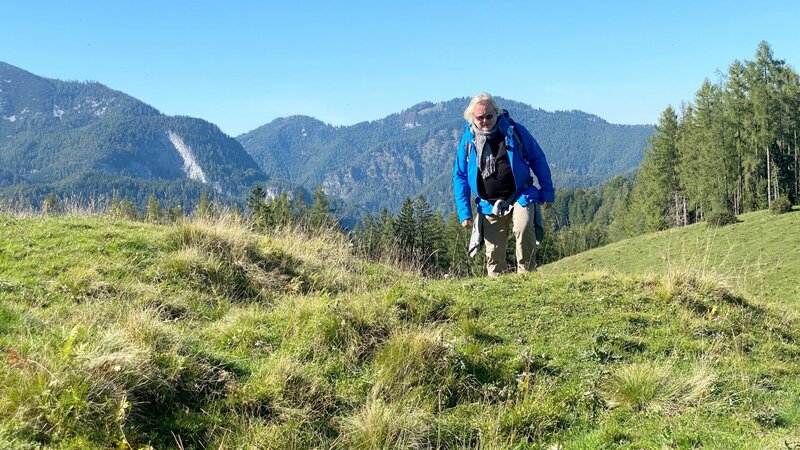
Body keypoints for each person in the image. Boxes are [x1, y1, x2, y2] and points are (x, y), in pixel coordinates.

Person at [453, 92, 554, 276]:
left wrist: (547, 192)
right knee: (494, 253)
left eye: (489, 115)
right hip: (488, 204)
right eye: (480, 117)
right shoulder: (468, 141)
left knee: (523, 230)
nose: (485, 120)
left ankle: (527, 279)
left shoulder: (514, 131)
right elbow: (460, 176)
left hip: (520, 195)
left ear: (496, 113)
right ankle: (497, 290)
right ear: (472, 118)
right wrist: (464, 212)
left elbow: (537, 159)